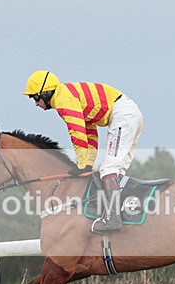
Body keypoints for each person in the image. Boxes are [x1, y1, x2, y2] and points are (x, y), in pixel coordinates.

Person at [22, 70, 144, 233]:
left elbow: (77, 133)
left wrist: (80, 165)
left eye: (35, 98)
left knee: (108, 170)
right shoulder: (68, 97)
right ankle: (122, 212)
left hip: (122, 114)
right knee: (114, 170)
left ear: (46, 92)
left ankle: (114, 220)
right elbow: (90, 131)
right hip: (128, 113)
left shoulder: (63, 100)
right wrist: (87, 163)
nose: (36, 103)